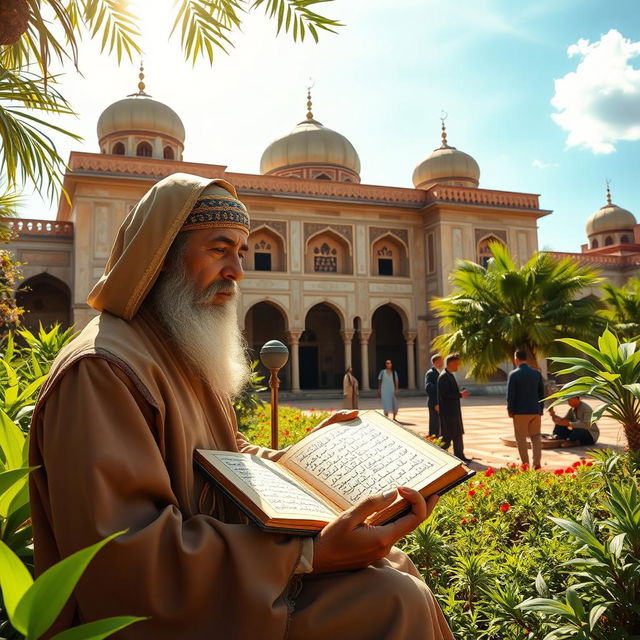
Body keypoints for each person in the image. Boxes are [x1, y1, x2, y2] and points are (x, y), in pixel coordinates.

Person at [29, 173, 454, 639]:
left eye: (242, 252)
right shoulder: (103, 369)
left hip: (223, 578)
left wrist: (312, 460)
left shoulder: (172, 351)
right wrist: (307, 556)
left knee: (393, 564)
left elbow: (220, 459)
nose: (237, 269)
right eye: (218, 249)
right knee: (392, 602)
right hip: (172, 611)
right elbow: (122, 558)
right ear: (162, 256)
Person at [506, 350, 545, 469]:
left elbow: (510, 395)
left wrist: (510, 410)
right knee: (536, 436)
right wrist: (540, 409)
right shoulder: (536, 373)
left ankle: (525, 464)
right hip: (535, 410)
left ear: (516, 359)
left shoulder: (514, 374)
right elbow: (541, 394)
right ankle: (537, 463)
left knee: (521, 438)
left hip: (520, 412)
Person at [437, 354, 472, 463]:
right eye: (457, 363)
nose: (458, 366)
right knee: (447, 437)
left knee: (457, 434)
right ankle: (439, 455)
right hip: (448, 413)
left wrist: (460, 393)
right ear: (451, 363)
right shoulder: (443, 376)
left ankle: (460, 455)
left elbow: (451, 392)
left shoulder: (450, 375)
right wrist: (460, 395)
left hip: (453, 411)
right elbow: (446, 394)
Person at [424, 354, 443, 438]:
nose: (442, 363)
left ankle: (437, 440)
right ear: (436, 362)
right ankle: (433, 441)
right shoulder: (431, 373)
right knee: (434, 424)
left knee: (438, 424)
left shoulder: (438, 372)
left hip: (438, 402)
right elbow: (428, 388)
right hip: (434, 403)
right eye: (441, 361)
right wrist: (436, 403)